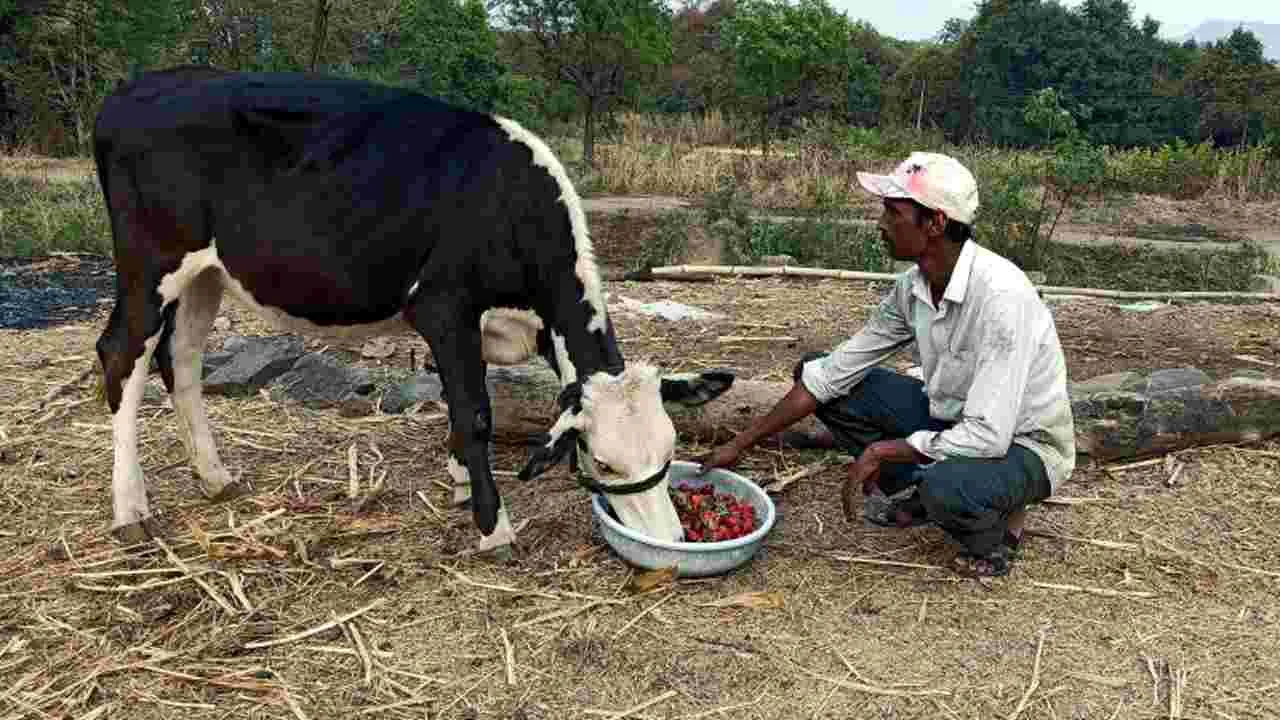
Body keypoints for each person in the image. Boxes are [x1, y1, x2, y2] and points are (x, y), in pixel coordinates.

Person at [697, 151, 1076, 578]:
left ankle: (997, 537)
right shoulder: (913, 288)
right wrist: (740, 443)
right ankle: (921, 488)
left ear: (935, 223)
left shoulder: (1002, 298)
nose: (880, 224)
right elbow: (832, 374)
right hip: (953, 420)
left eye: (893, 212)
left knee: (946, 487)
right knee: (819, 373)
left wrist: (884, 449)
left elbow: (989, 434)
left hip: (1021, 445)